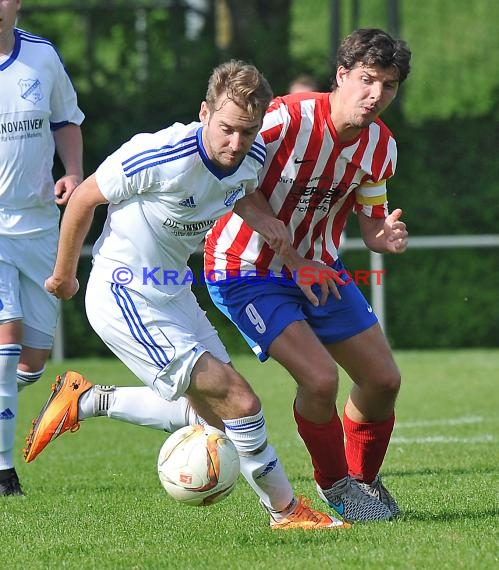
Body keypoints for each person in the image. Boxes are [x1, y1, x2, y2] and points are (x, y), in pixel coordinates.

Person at [23, 59, 349, 530]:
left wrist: (281, 243)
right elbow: (83, 199)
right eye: (227, 129)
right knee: (241, 402)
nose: (236, 144)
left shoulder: (250, 157)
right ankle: (287, 512)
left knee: (218, 419)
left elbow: (238, 191)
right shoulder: (160, 155)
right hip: (125, 293)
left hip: (174, 291)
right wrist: (64, 275)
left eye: (248, 132)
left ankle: (88, 399)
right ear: (204, 113)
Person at [204, 28, 412, 522]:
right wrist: (282, 244)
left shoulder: (381, 147)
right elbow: (232, 173)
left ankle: (363, 483)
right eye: (366, 79)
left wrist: (382, 236)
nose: (375, 94)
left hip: (319, 268)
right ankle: (336, 486)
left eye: (388, 84)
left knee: (383, 380)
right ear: (341, 76)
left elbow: (370, 215)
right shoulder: (284, 117)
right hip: (245, 269)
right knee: (320, 380)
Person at [0, 0, 84, 495]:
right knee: (5, 344)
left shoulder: (42, 56)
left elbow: (66, 120)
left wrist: (72, 172)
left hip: (38, 226)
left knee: (30, 363)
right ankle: (3, 469)